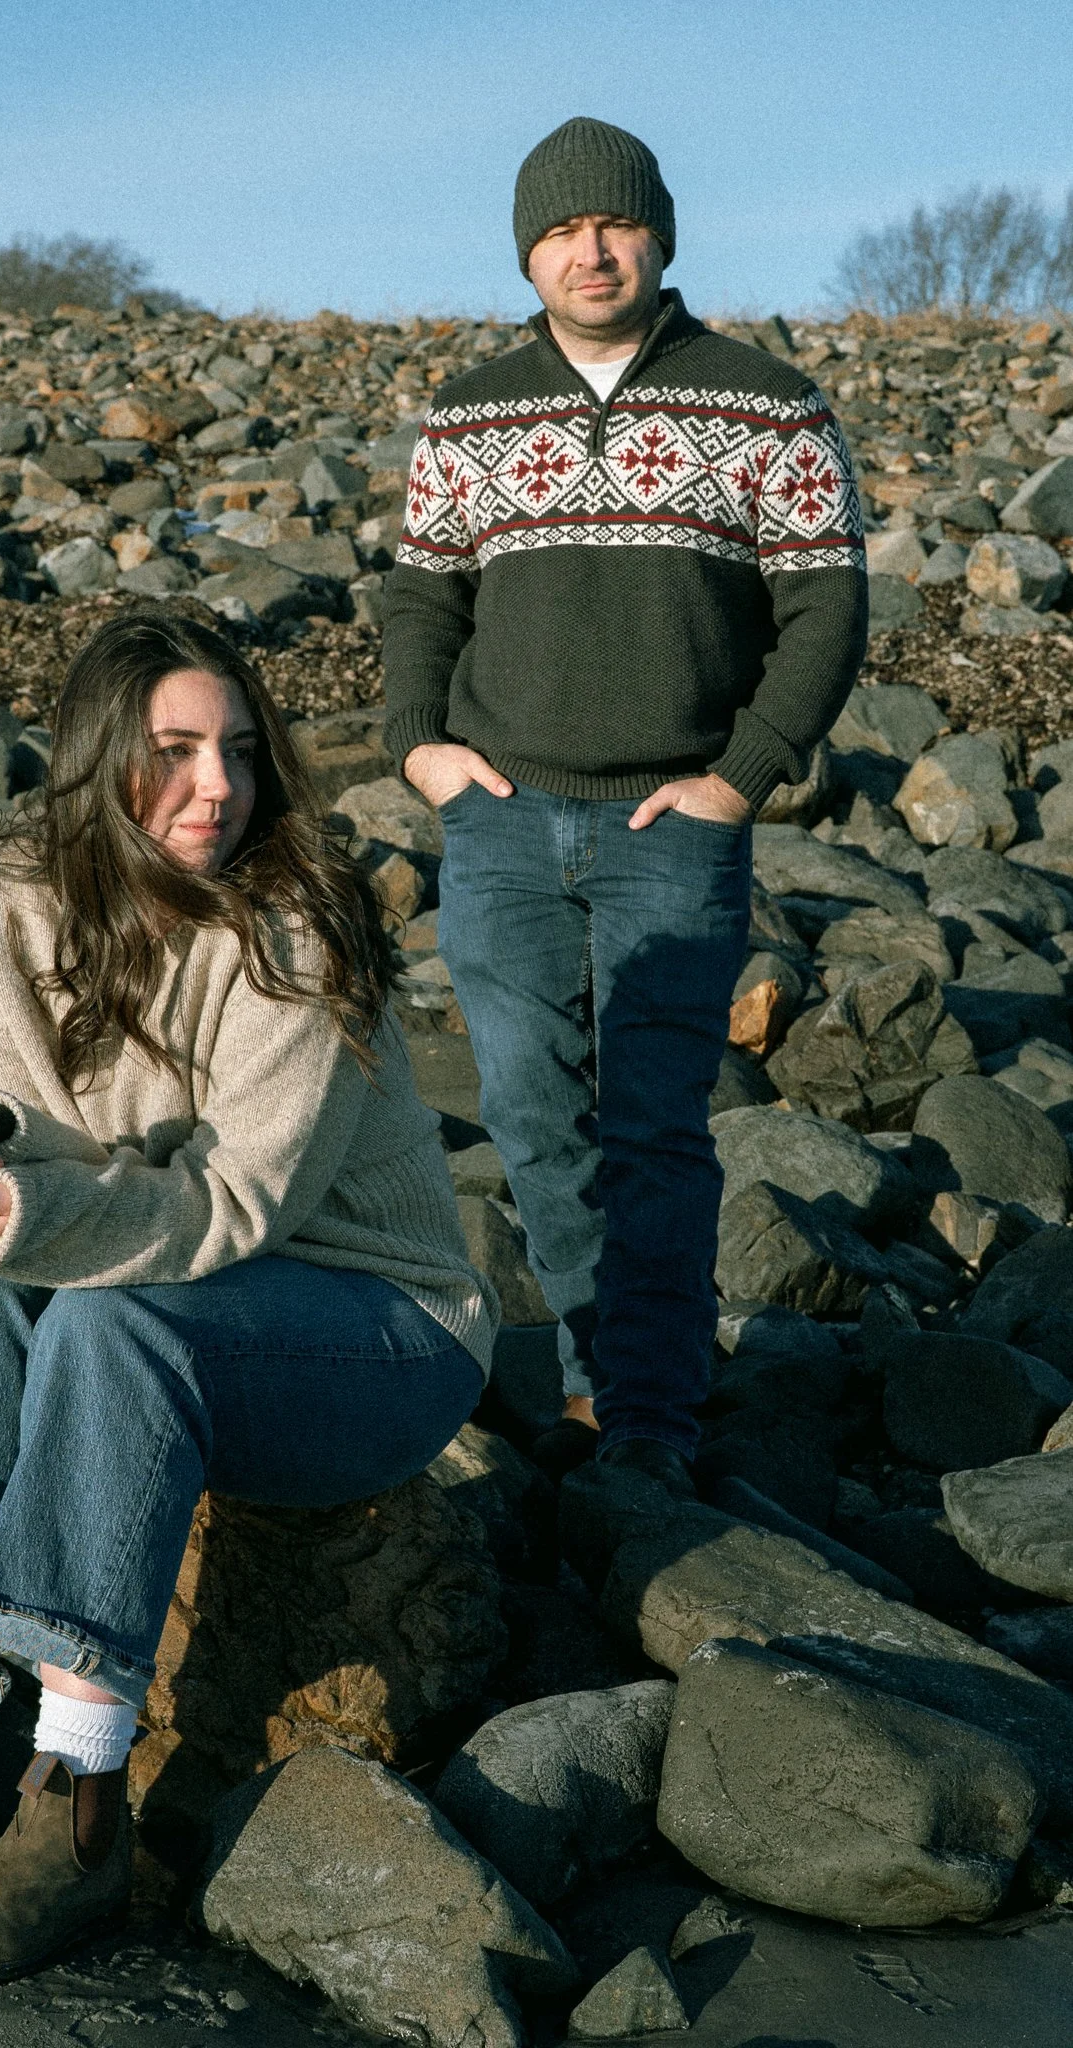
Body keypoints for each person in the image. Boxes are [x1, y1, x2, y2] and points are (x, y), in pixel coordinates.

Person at [0, 610, 496, 1986]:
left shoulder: (298, 929)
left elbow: (234, 1209)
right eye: (171, 752)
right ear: (97, 756)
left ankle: (79, 1800)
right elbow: (22, 1125)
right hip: (176, 1294)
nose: (215, 788)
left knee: (108, 1322)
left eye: (233, 750)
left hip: (375, 1333)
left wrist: (29, 1207)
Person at [383, 117, 868, 1497]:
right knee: (533, 1118)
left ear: (657, 234)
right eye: (558, 231)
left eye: (611, 226)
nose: (586, 252)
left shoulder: (765, 401)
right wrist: (418, 747)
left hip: (676, 827)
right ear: (526, 249)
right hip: (500, 815)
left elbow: (826, 606)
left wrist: (740, 777)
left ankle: (648, 1413)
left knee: (653, 1125)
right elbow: (422, 595)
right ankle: (599, 1374)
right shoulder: (471, 411)